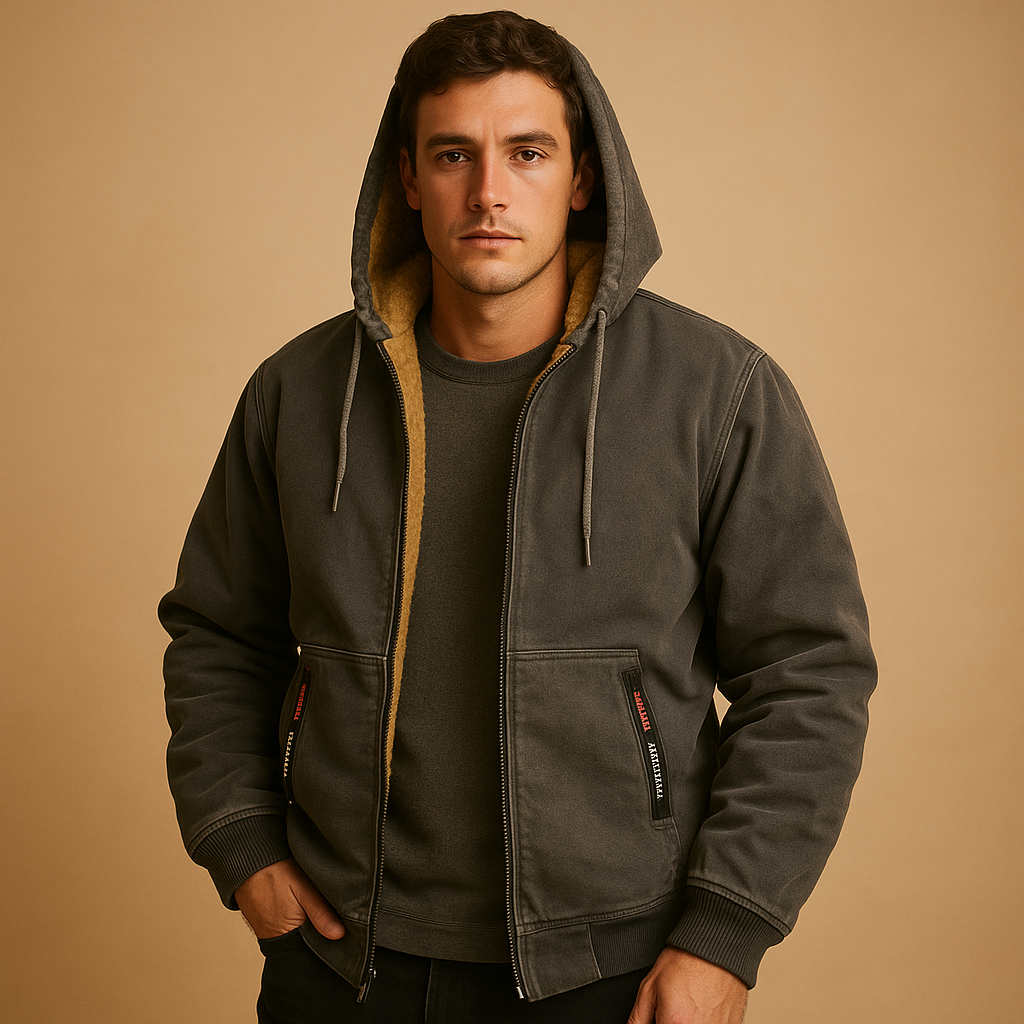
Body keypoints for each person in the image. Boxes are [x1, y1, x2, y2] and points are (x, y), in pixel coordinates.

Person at [159, 11, 876, 1023]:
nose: (488, 191)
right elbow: (219, 634)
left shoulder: (717, 391)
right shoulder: (300, 392)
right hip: (339, 961)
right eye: (453, 154)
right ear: (410, 178)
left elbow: (809, 671)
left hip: (612, 972)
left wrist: (725, 932)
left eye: (527, 153)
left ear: (582, 178)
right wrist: (241, 841)